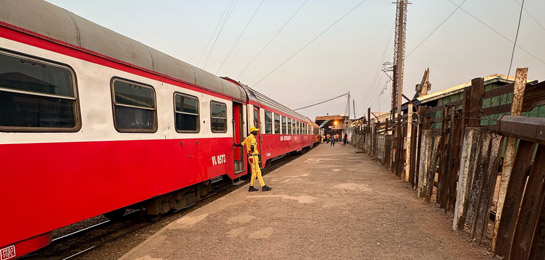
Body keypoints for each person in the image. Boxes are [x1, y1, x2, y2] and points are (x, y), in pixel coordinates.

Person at [241, 126, 272, 192]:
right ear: (253, 132)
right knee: (255, 172)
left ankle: (261, 186)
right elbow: (252, 146)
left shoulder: (247, 138)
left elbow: (242, 144)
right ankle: (254, 186)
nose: (257, 132)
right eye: (256, 131)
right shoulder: (253, 139)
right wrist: (251, 151)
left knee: (257, 172)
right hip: (254, 156)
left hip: (250, 157)